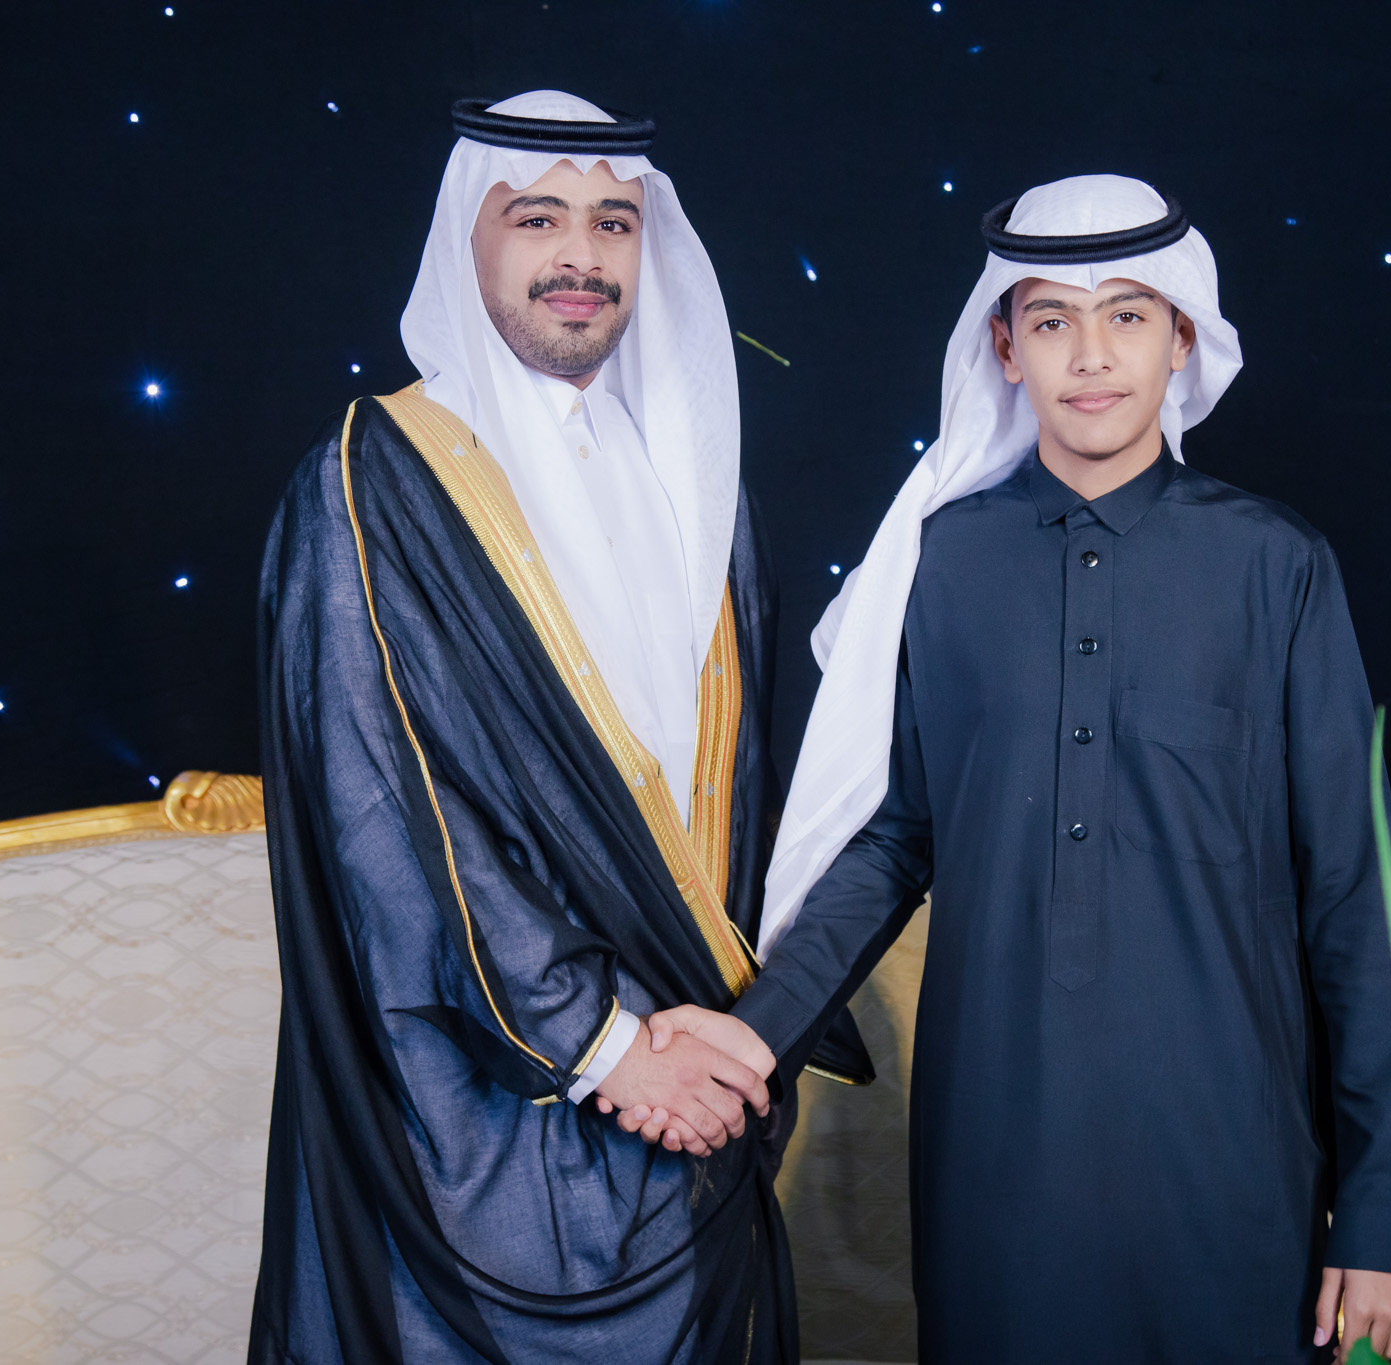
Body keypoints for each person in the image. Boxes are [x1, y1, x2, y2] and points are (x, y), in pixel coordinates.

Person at [635, 175, 1391, 1361]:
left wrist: (1382, 1214)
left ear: (1180, 340)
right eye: (1052, 319)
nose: (1090, 354)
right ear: (1003, 348)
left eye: (1127, 316)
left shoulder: (1276, 567)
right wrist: (755, 1034)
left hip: (1229, 1154)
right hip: (996, 1157)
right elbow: (891, 840)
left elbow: (1354, 904)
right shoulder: (938, 564)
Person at [248, 90, 867, 1365]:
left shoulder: (691, 483)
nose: (579, 255)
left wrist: (721, 1051)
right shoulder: (375, 476)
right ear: (466, 242)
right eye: (536, 219)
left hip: (694, 1106)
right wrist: (607, 1051)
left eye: (611, 224)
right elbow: (386, 815)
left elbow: (721, 813)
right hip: (475, 1115)